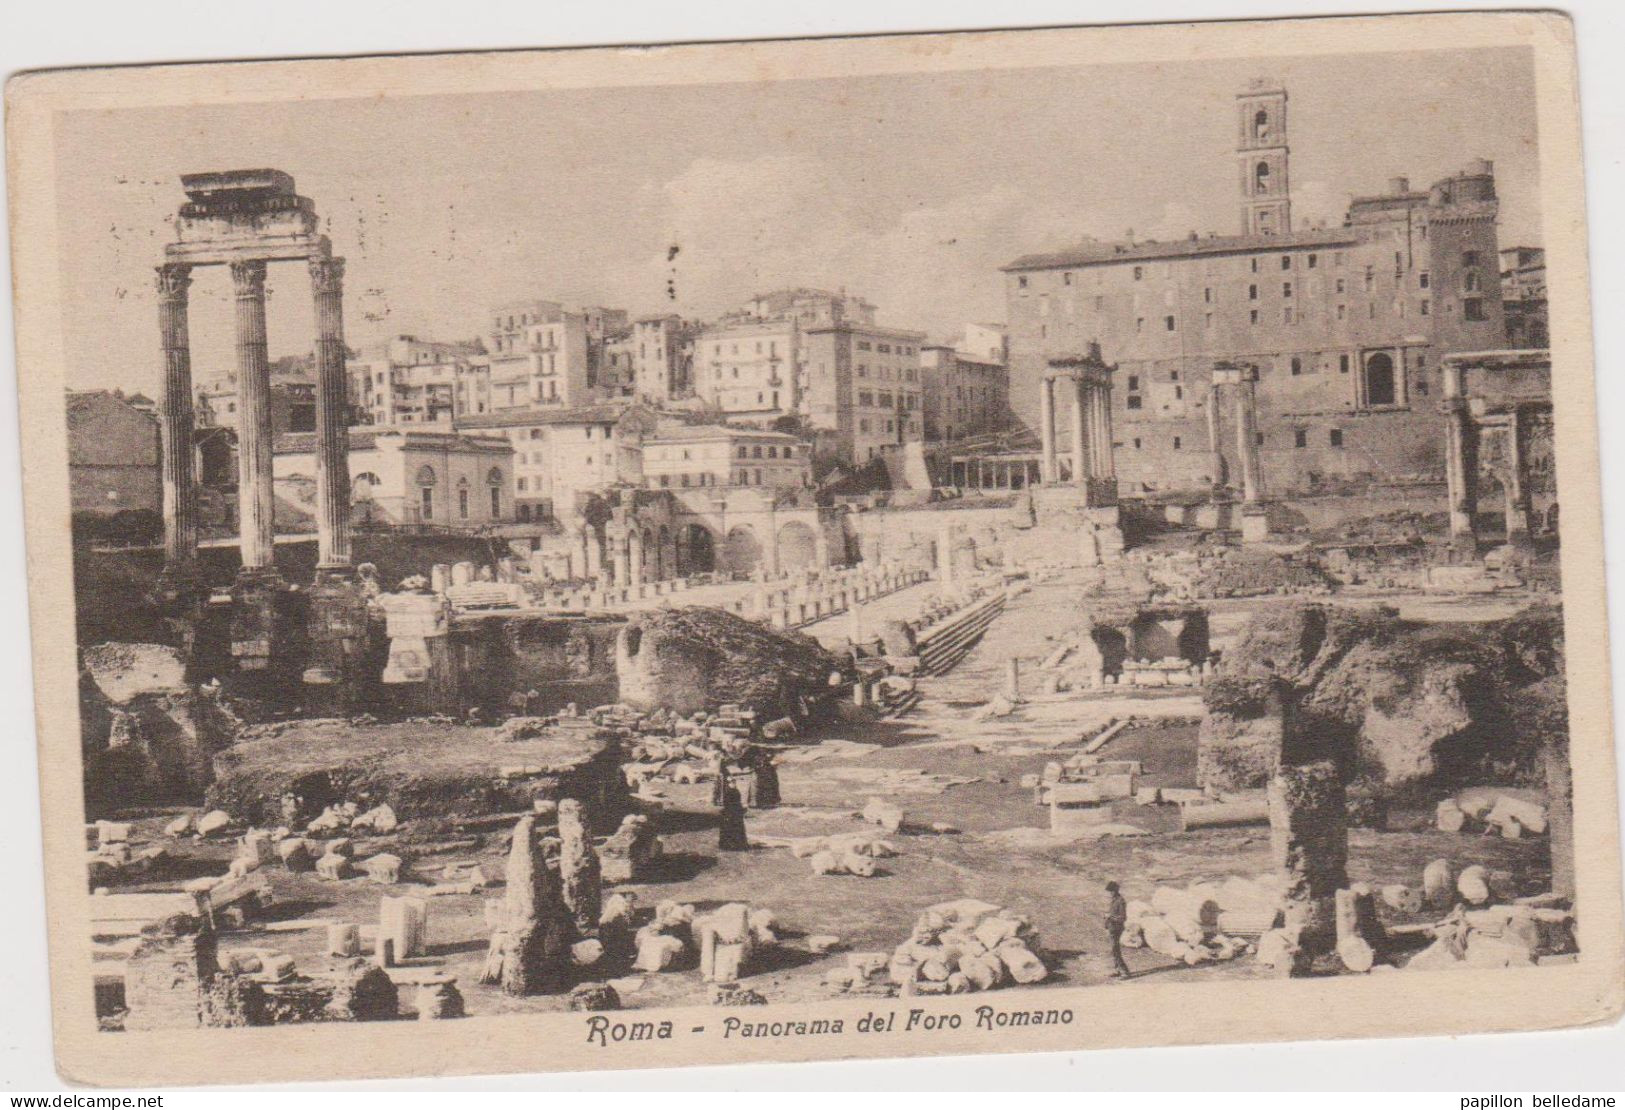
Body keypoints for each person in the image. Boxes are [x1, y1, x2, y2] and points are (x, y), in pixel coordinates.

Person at [1104, 880, 1131, 979]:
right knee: (1113, 950)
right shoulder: (1114, 900)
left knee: (1115, 950)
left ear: (1115, 891)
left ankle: (1125, 972)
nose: (1110, 893)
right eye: (1109, 891)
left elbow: (1123, 918)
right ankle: (1118, 969)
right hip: (1112, 928)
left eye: (1111, 891)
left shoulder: (1121, 901)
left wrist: (1110, 916)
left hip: (1117, 928)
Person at [717, 782, 750, 851]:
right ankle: (736, 844)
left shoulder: (730, 792)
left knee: (729, 829)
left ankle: (728, 844)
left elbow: (727, 803)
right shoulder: (734, 792)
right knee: (736, 829)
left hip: (730, 813)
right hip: (734, 814)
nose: (733, 784)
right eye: (732, 783)